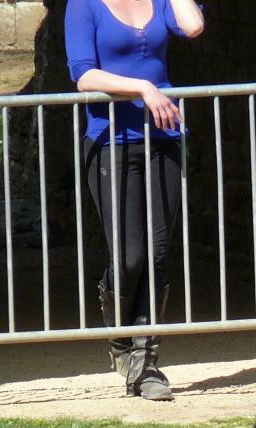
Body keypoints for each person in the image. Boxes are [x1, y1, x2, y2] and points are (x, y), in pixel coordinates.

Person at [65, 0, 204, 401]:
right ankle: (120, 339)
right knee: (129, 256)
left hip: (164, 141)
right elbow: (83, 75)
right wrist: (142, 88)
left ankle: (145, 364)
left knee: (158, 254)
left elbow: (193, 26)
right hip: (111, 143)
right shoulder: (83, 5)